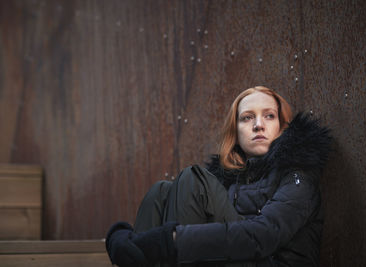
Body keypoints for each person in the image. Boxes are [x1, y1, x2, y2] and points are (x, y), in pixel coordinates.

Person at [105, 86, 332, 267]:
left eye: (269, 116)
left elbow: (263, 235)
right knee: (161, 191)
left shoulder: (299, 175)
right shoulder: (227, 184)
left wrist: (170, 240)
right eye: (247, 118)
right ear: (236, 132)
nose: (258, 125)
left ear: (283, 128)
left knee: (193, 179)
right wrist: (126, 241)